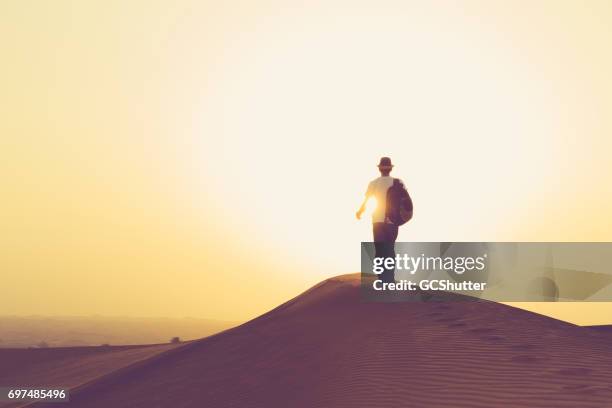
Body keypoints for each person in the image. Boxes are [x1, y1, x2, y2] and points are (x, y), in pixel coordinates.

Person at [356, 157, 407, 283]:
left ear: (379, 169)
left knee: (379, 250)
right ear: (390, 169)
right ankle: (390, 278)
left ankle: (381, 278)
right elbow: (405, 201)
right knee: (390, 249)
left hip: (377, 221)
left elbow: (367, 200)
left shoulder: (373, 183)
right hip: (393, 221)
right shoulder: (398, 182)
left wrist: (360, 211)